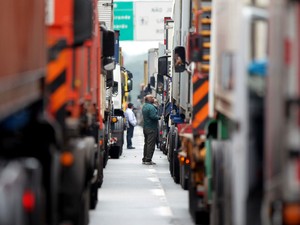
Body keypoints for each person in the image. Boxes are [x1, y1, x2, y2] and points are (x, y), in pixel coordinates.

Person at [142, 95, 160, 165]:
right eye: (152, 98)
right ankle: (148, 159)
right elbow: (153, 116)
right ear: (148, 99)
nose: (153, 98)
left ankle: (145, 158)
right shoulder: (151, 107)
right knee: (151, 145)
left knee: (146, 144)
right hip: (152, 128)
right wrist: (159, 117)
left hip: (146, 127)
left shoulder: (145, 106)